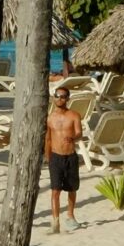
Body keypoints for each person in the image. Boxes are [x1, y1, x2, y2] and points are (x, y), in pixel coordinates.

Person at [44, 85, 84, 233]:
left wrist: (73, 137)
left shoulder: (74, 115)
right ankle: (55, 222)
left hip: (70, 157)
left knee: (72, 189)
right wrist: (48, 157)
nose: (59, 98)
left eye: (62, 96)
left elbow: (80, 133)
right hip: (55, 157)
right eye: (56, 95)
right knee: (55, 190)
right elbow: (47, 139)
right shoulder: (49, 118)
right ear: (53, 97)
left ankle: (71, 215)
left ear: (67, 99)